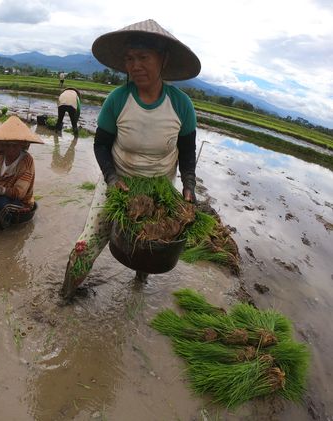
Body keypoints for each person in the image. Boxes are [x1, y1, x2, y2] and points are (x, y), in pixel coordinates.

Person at [61, 19, 200, 299]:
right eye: (129, 58)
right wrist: (112, 178)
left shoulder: (181, 105)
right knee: (86, 245)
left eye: (143, 57)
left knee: (151, 245)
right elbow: (101, 146)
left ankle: (140, 281)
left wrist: (188, 184)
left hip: (159, 188)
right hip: (118, 185)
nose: (135, 65)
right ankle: (64, 296)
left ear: (164, 59)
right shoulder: (117, 100)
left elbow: (187, 152)